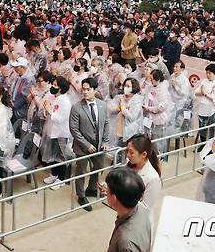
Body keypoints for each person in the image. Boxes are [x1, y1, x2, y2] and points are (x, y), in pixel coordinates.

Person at [69, 77, 110, 211]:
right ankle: (81, 195)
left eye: (88, 89)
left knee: (98, 168)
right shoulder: (76, 108)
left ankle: (92, 188)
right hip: (82, 147)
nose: (85, 92)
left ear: (95, 90)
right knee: (80, 171)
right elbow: (74, 129)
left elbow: (106, 123)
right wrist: (86, 145)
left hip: (98, 144)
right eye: (83, 89)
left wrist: (105, 141)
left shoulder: (102, 105)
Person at [102, 167, 152, 252]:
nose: (106, 192)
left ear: (114, 198)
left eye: (108, 190)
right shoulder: (140, 207)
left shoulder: (126, 242)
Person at [38, 76, 74, 190]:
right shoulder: (54, 97)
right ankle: (54, 174)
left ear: (61, 88)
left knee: (60, 156)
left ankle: (61, 179)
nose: (52, 87)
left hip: (60, 133)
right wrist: (46, 110)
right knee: (52, 155)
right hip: (50, 130)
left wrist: (49, 111)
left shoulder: (65, 101)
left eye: (55, 85)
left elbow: (61, 118)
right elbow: (48, 112)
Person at [125, 134, 162, 219]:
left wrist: (121, 198)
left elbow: (145, 208)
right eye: (127, 151)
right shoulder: (129, 165)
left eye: (131, 152)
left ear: (144, 154)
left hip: (139, 221)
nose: (128, 155)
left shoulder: (153, 178)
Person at [193, 64, 215, 145]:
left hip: (212, 110)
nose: (207, 75)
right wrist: (202, 92)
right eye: (207, 73)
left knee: (211, 129)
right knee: (202, 127)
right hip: (202, 108)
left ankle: (210, 146)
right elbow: (196, 92)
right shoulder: (204, 81)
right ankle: (202, 144)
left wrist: (205, 94)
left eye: (210, 73)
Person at [9, 57, 36, 122]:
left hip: (21, 110)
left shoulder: (29, 79)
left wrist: (14, 105)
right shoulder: (20, 75)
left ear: (22, 67)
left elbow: (24, 96)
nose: (14, 69)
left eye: (16, 67)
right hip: (14, 106)